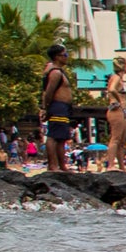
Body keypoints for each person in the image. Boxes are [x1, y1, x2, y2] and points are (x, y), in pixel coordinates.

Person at [38, 43, 74, 171]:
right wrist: (46, 108)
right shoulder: (55, 73)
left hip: (63, 107)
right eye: (65, 54)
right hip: (57, 106)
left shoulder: (58, 71)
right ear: (57, 56)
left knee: (62, 137)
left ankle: (62, 165)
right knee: (53, 136)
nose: (66, 57)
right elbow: (48, 92)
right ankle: (53, 165)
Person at [103, 55, 126, 170]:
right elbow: (112, 89)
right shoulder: (116, 77)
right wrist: (119, 101)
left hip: (122, 111)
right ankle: (111, 165)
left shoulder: (119, 78)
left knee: (121, 141)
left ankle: (122, 166)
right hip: (117, 110)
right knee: (115, 138)